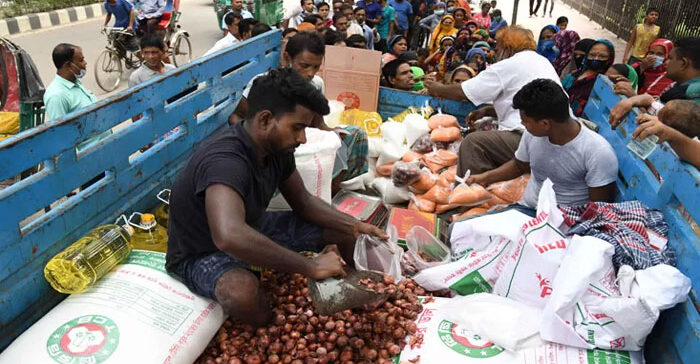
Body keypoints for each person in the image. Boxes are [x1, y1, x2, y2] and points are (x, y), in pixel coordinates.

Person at [166, 68, 388, 326]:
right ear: (265, 119)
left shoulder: (276, 149)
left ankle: (357, 298)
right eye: (297, 128)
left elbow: (303, 202)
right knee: (242, 294)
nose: (302, 138)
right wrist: (310, 267)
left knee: (347, 233)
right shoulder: (225, 161)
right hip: (201, 251)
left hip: (253, 226)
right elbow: (228, 235)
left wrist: (354, 224)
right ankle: (269, 325)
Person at [236, 33, 369, 190]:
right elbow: (238, 116)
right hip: (275, 140)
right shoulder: (266, 82)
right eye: (304, 65)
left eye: (316, 67)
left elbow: (319, 123)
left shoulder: (316, 84)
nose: (310, 73)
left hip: (304, 136)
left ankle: (333, 190)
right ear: (288, 58)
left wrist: (333, 134)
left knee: (355, 135)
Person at [426, 26, 564, 176]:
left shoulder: (510, 64)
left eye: (498, 49)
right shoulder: (541, 61)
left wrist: (436, 88)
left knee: (473, 143)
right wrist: (488, 110)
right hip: (553, 137)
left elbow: (463, 92)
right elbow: (525, 102)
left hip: (532, 137)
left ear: (508, 48)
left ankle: (471, 191)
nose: (495, 54)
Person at [468, 78, 618, 207]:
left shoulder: (598, 152)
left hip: (564, 221)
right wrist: (483, 177)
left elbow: (598, 207)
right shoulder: (531, 134)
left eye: (525, 121)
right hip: (527, 208)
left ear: (545, 124)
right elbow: (519, 165)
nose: (522, 123)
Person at [609, 37, 700, 127]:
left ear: (684, 63)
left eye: (670, 58)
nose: (665, 62)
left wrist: (640, 99)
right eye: (651, 52)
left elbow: (665, 126)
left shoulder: (692, 94)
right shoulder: (676, 86)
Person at [633, 100, 700, 168]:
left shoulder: (692, 149)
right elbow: (648, 100)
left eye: (659, 120)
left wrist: (669, 133)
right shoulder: (668, 113)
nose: (655, 119)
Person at [562, 39, 615, 116]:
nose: (596, 59)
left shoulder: (606, 83)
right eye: (592, 55)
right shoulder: (574, 75)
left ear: (609, 60)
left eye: (602, 56)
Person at [44, 44, 97, 121]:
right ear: (69, 65)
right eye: (81, 60)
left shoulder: (75, 82)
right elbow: (59, 130)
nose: (85, 63)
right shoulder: (56, 96)